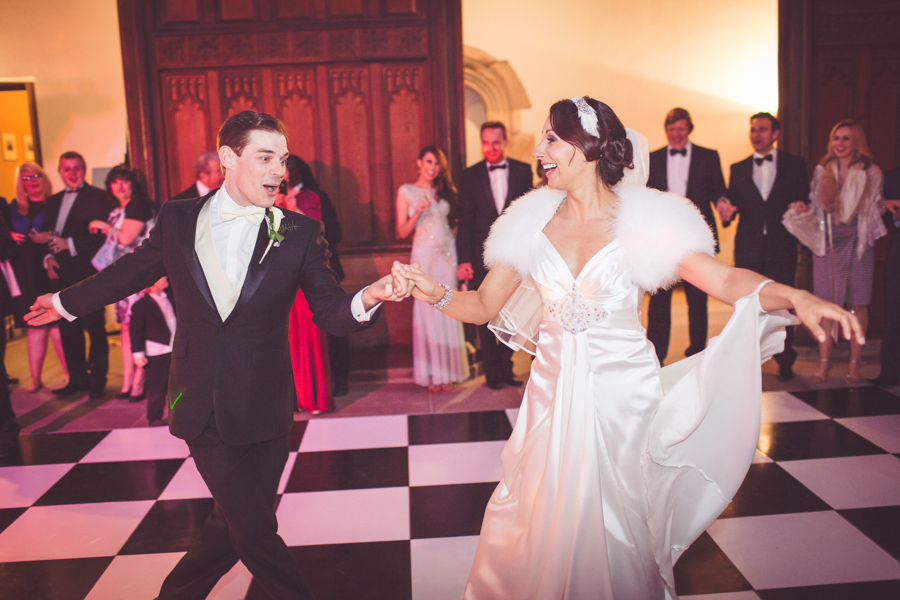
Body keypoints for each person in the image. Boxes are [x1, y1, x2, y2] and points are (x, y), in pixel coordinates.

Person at [394, 96, 861, 599]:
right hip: (550, 401)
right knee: (538, 520)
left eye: (552, 138)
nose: (540, 150)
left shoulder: (646, 221)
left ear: (590, 146)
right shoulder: (527, 221)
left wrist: (798, 296)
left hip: (623, 404)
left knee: (620, 529)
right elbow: (484, 304)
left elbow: (724, 279)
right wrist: (432, 291)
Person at [27, 110, 411, 599]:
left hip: (266, 407)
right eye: (265, 157)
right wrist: (63, 302)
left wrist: (372, 295)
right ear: (228, 158)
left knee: (230, 526)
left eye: (283, 160)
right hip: (200, 401)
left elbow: (333, 313)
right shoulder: (176, 216)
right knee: (254, 530)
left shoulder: (298, 232)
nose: (278, 171)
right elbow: (131, 273)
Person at [716, 113, 810, 381]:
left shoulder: (794, 164)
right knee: (746, 306)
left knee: (783, 304)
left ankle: (785, 359)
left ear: (775, 133)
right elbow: (731, 204)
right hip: (748, 247)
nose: (756, 134)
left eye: (762, 130)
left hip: (782, 246)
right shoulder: (738, 167)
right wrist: (726, 209)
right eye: (753, 130)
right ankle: (746, 359)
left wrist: (803, 207)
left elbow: (803, 199)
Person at [791, 120, 886, 383]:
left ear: (857, 143)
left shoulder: (871, 171)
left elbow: (873, 205)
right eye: (836, 138)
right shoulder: (824, 170)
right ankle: (823, 362)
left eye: (846, 139)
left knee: (858, 304)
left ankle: (855, 364)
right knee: (826, 304)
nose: (840, 144)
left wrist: (882, 207)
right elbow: (814, 204)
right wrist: (802, 208)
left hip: (858, 245)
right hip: (828, 245)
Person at [647, 108, 727, 363]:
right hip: (662, 241)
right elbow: (645, 199)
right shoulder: (653, 158)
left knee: (697, 300)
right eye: (672, 129)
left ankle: (696, 355)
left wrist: (724, 203)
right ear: (666, 131)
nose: (676, 134)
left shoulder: (708, 157)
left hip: (696, 238)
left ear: (689, 129)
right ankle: (656, 356)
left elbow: (719, 192)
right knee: (659, 302)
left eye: (681, 128)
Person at [456, 122, 532, 389]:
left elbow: (527, 217)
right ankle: (492, 371)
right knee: (484, 312)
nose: (491, 147)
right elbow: (464, 221)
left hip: (514, 255)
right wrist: (463, 259)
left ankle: (505, 363)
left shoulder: (523, 171)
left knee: (514, 311)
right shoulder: (469, 176)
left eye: (496, 142)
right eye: (486, 142)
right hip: (480, 255)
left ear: (506, 141)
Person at [31, 151, 111, 399]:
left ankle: (98, 382)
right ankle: (76, 381)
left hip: (90, 274)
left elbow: (102, 237)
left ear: (83, 169)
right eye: (66, 169)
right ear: (60, 172)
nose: (72, 173)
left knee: (95, 328)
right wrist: (49, 258)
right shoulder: (53, 200)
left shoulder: (100, 197)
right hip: (62, 275)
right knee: (68, 330)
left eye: (76, 168)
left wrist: (70, 244)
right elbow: (48, 234)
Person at [395, 147, 468, 391]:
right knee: (427, 309)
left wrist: (455, 258)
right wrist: (416, 213)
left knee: (448, 307)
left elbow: (455, 227)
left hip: (447, 257)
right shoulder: (406, 191)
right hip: (423, 258)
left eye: (437, 163)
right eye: (428, 161)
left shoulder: (446, 192)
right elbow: (402, 232)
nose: (432, 167)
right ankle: (431, 373)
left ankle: (449, 372)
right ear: (419, 162)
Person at [285, 155, 351, 397]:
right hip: (289, 276)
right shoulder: (272, 198)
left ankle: (339, 377)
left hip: (323, 270)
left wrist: (300, 212)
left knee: (332, 324)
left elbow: (334, 231)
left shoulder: (316, 197)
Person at [89, 165, 156, 401]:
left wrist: (103, 227)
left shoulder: (138, 204)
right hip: (124, 275)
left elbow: (127, 238)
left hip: (139, 275)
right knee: (127, 329)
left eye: (125, 181)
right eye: (115, 181)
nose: (120, 185)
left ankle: (139, 380)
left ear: (133, 184)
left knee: (138, 326)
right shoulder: (118, 209)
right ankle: (128, 383)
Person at [6, 162, 67, 392]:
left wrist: (49, 235)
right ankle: (35, 379)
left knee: (57, 323)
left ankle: (70, 374)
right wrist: (11, 236)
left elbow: (66, 231)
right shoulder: (12, 208)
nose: (31, 180)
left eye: (35, 175)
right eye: (25, 178)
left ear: (43, 177)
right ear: (19, 183)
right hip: (26, 270)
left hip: (51, 265)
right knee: (34, 324)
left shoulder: (56, 203)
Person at [275, 177, 332, 414]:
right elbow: (273, 242)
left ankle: (313, 398)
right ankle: (295, 397)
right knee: (288, 340)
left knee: (308, 338)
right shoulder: (271, 205)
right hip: (282, 283)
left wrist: (286, 209)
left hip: (304, 281)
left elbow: (310, 228)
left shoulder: (307, 199)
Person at [130, 277, 175, 426]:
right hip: (156, 351)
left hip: (175, 348)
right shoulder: (141, 306)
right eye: (162, 276)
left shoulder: (171, 298)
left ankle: (178, 415)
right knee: (157, 387)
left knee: (177, 386)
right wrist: (138, 354)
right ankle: (154, 416)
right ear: (153, 282)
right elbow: (136, 331)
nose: (166, 278)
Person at [870, 166, 900, 386]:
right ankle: (890, 370)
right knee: (895, 308)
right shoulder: (892, 176)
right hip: (898, 248)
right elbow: (882, 219)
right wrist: (887, 209)